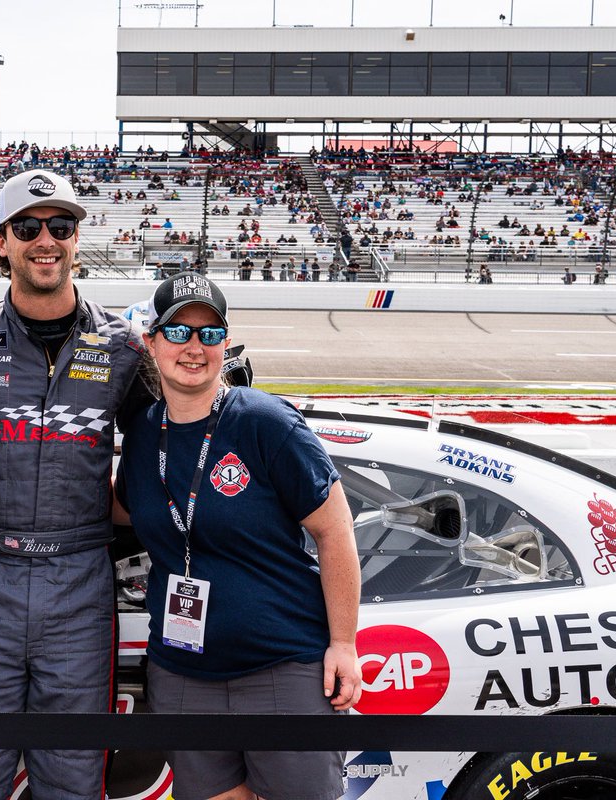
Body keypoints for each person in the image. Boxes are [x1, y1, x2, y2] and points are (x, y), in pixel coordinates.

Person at [0, 169, 155, 800]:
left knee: (74, 779)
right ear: (2, 242)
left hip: (81, 579)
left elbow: (170, 448)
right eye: (28, 227)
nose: (44, 239)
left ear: (78, 238)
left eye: (60, 226)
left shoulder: (125, 347)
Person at [115, 272, 361, 800]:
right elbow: (115, 511)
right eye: (178, 332)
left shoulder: (265, 422)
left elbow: (335, 530)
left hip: (283, 669)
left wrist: (344, 642)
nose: (194, 347)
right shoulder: (141, 435)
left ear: (225, 342)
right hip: (183, 675)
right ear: (152, 342)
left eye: (209, 333)